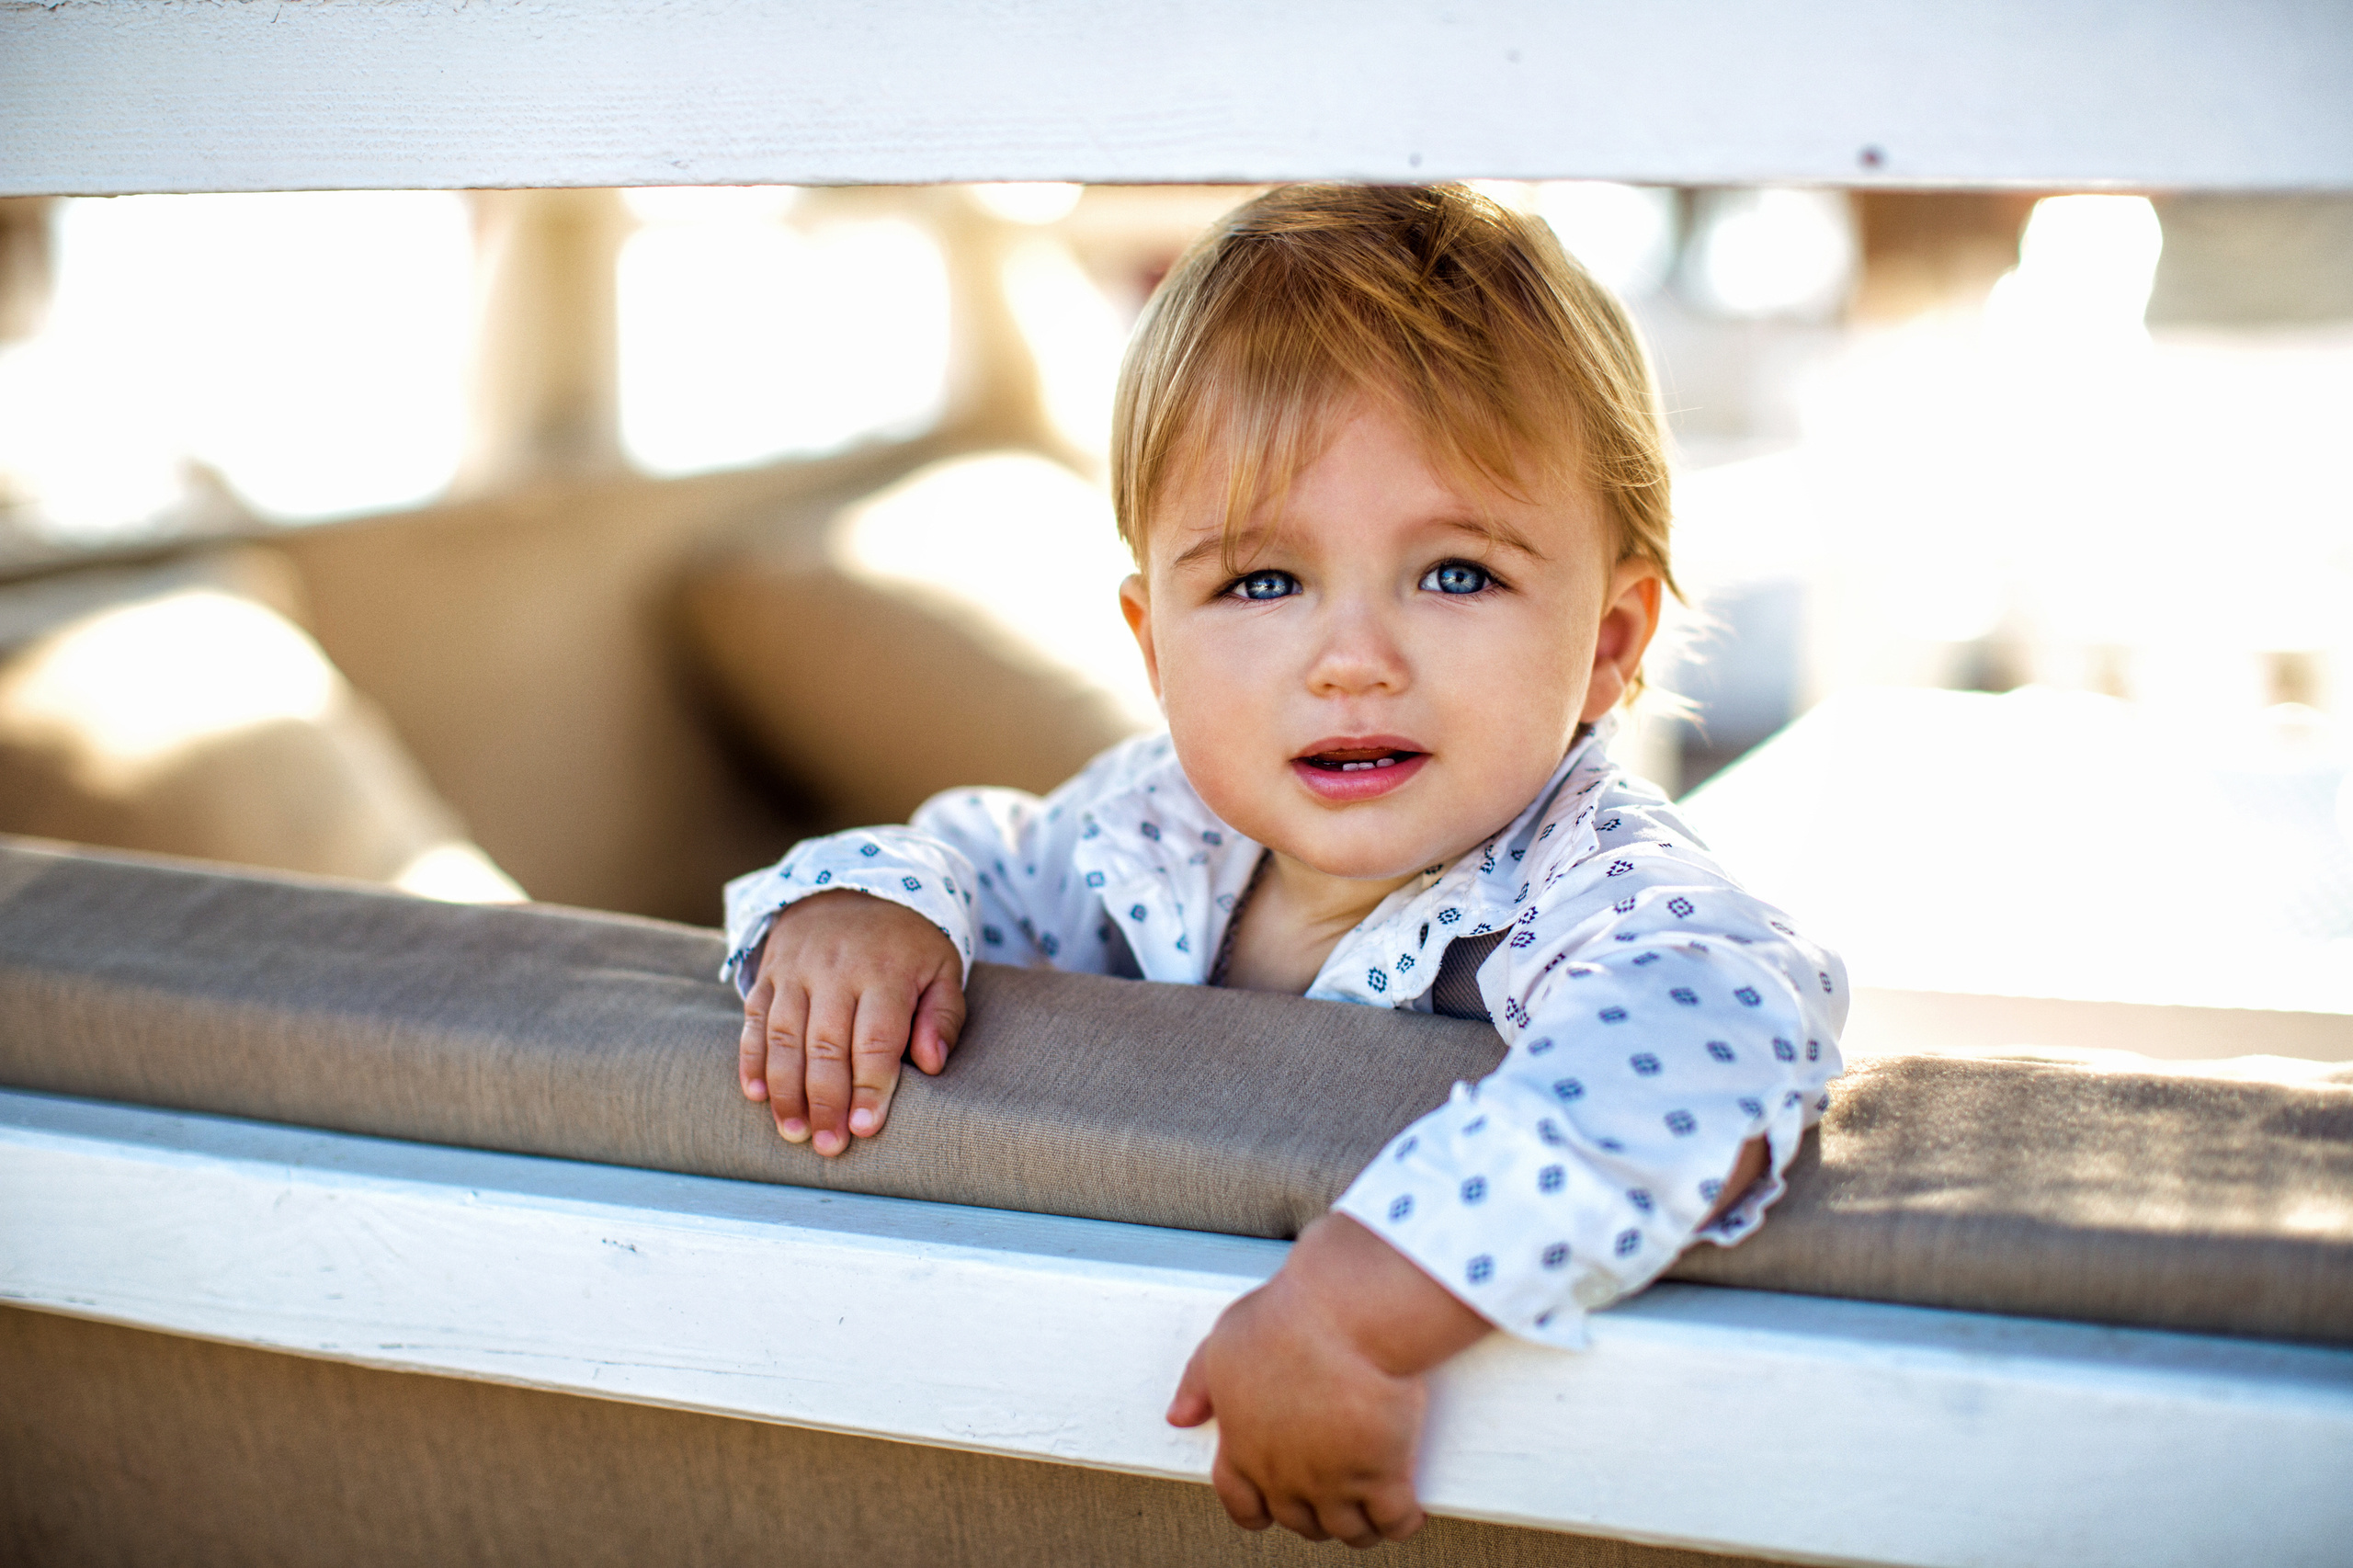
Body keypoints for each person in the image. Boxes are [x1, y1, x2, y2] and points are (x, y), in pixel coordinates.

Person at [721, 183, 1845, 1549]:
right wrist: (865, 901)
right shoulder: (1154, 824)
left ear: (1609, 641)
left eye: (1456, 573)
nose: (1352, 659)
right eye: (1262, 583)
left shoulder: (1586, 877)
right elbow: (979, 858)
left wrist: (1361, 1309)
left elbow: (1703, 1042)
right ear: (1154, 643)